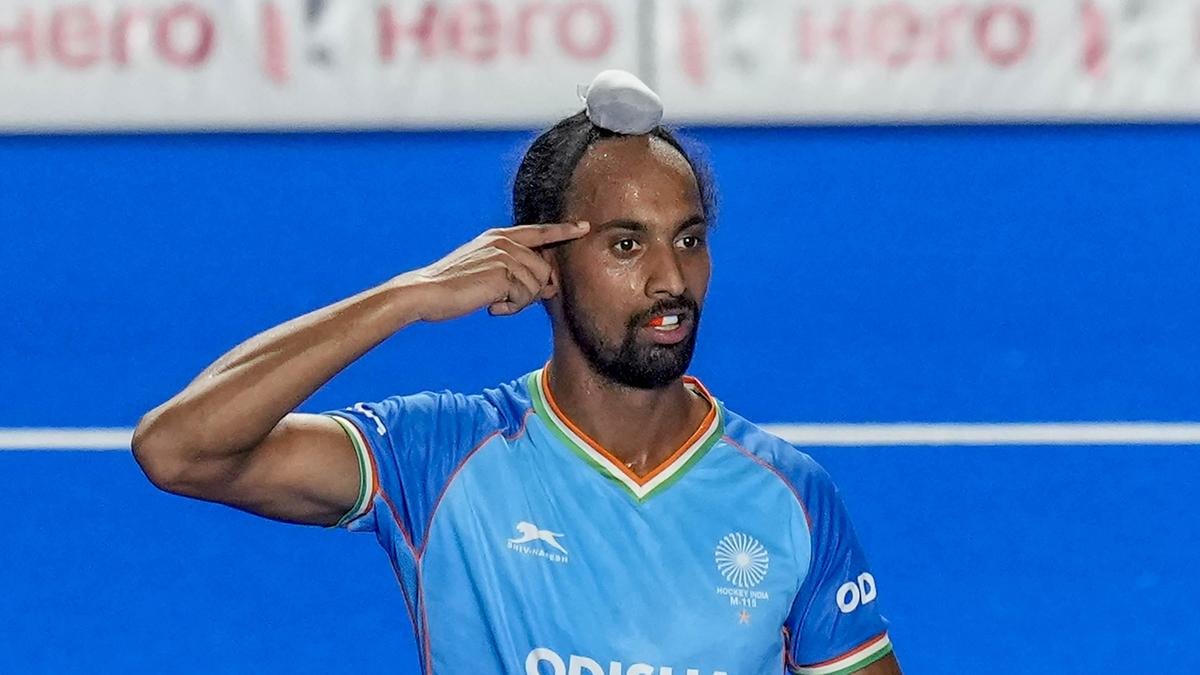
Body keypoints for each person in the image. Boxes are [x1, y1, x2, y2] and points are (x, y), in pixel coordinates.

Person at [132, 71, 900, 675]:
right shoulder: (436, 457)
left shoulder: (790, 496)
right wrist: (405, 297)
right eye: (627, 245)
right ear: (544, 264)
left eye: (689, 239)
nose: (671, 278)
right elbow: (179, 449)